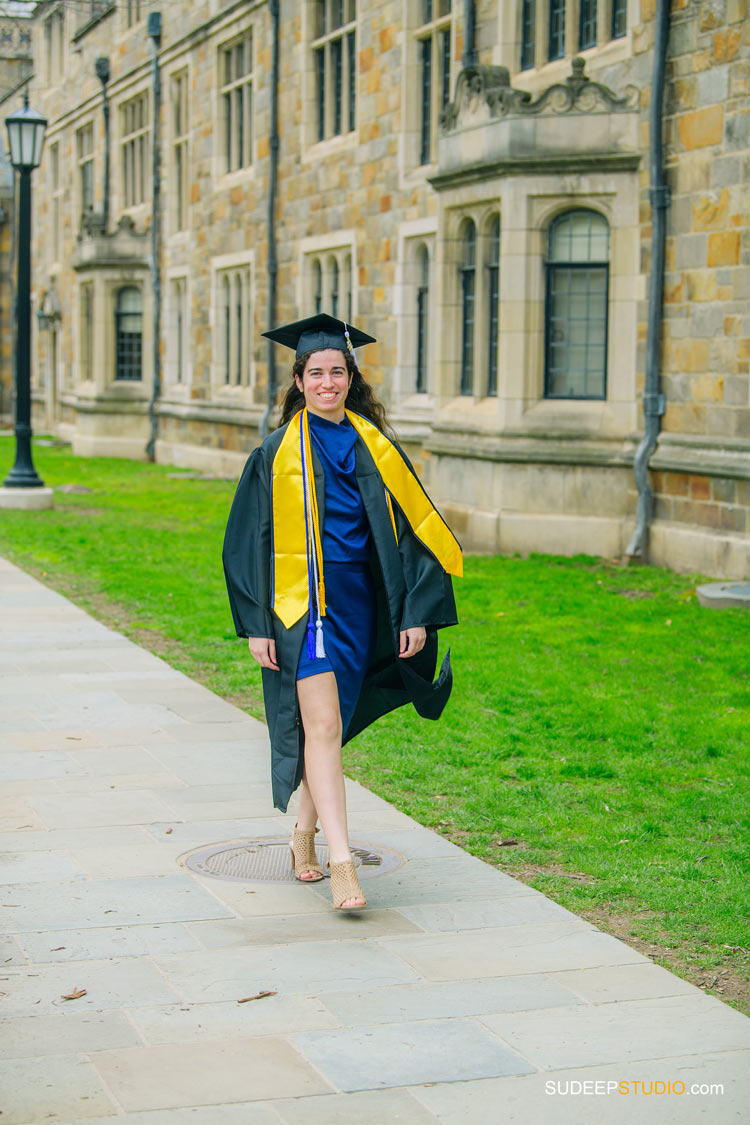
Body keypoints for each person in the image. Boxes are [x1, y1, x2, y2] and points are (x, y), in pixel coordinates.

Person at [222, 314, 462, 912]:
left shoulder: (377, 448)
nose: (327, 382)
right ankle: (342, 862)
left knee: (330, 731)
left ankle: (303, 833)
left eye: (337, 371)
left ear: (349, 378)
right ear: (298, 381)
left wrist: (414, 614)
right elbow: (246, 542)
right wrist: (256, 622)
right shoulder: (273, 453)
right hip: (302, 611)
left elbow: (416, 534)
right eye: (316, 373)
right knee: (323, 729)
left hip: (363, 609)